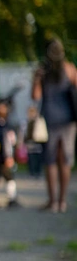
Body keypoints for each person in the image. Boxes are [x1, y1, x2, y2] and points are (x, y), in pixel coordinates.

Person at [32, 38, 77, 213]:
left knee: (50, 161)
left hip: (49, 119)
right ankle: (62, 201)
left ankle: (52, 202)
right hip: (68, 120)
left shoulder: (42, 71)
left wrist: (36, 80)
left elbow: (35, 96)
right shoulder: (70, 69)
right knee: (65, 160)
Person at [0, 99, 21, 209]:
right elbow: (8, 143)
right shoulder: (4, 126)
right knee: (8, 178)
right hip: (1, 157)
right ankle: (11, 198)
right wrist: (8, 156)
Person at [24, 105, 44, 178]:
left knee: (37, 158)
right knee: (31, 158)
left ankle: (37, 171)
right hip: (30, 143)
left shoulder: (38, 121)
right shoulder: (26, 122)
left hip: (37, 142)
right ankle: (32, 171)